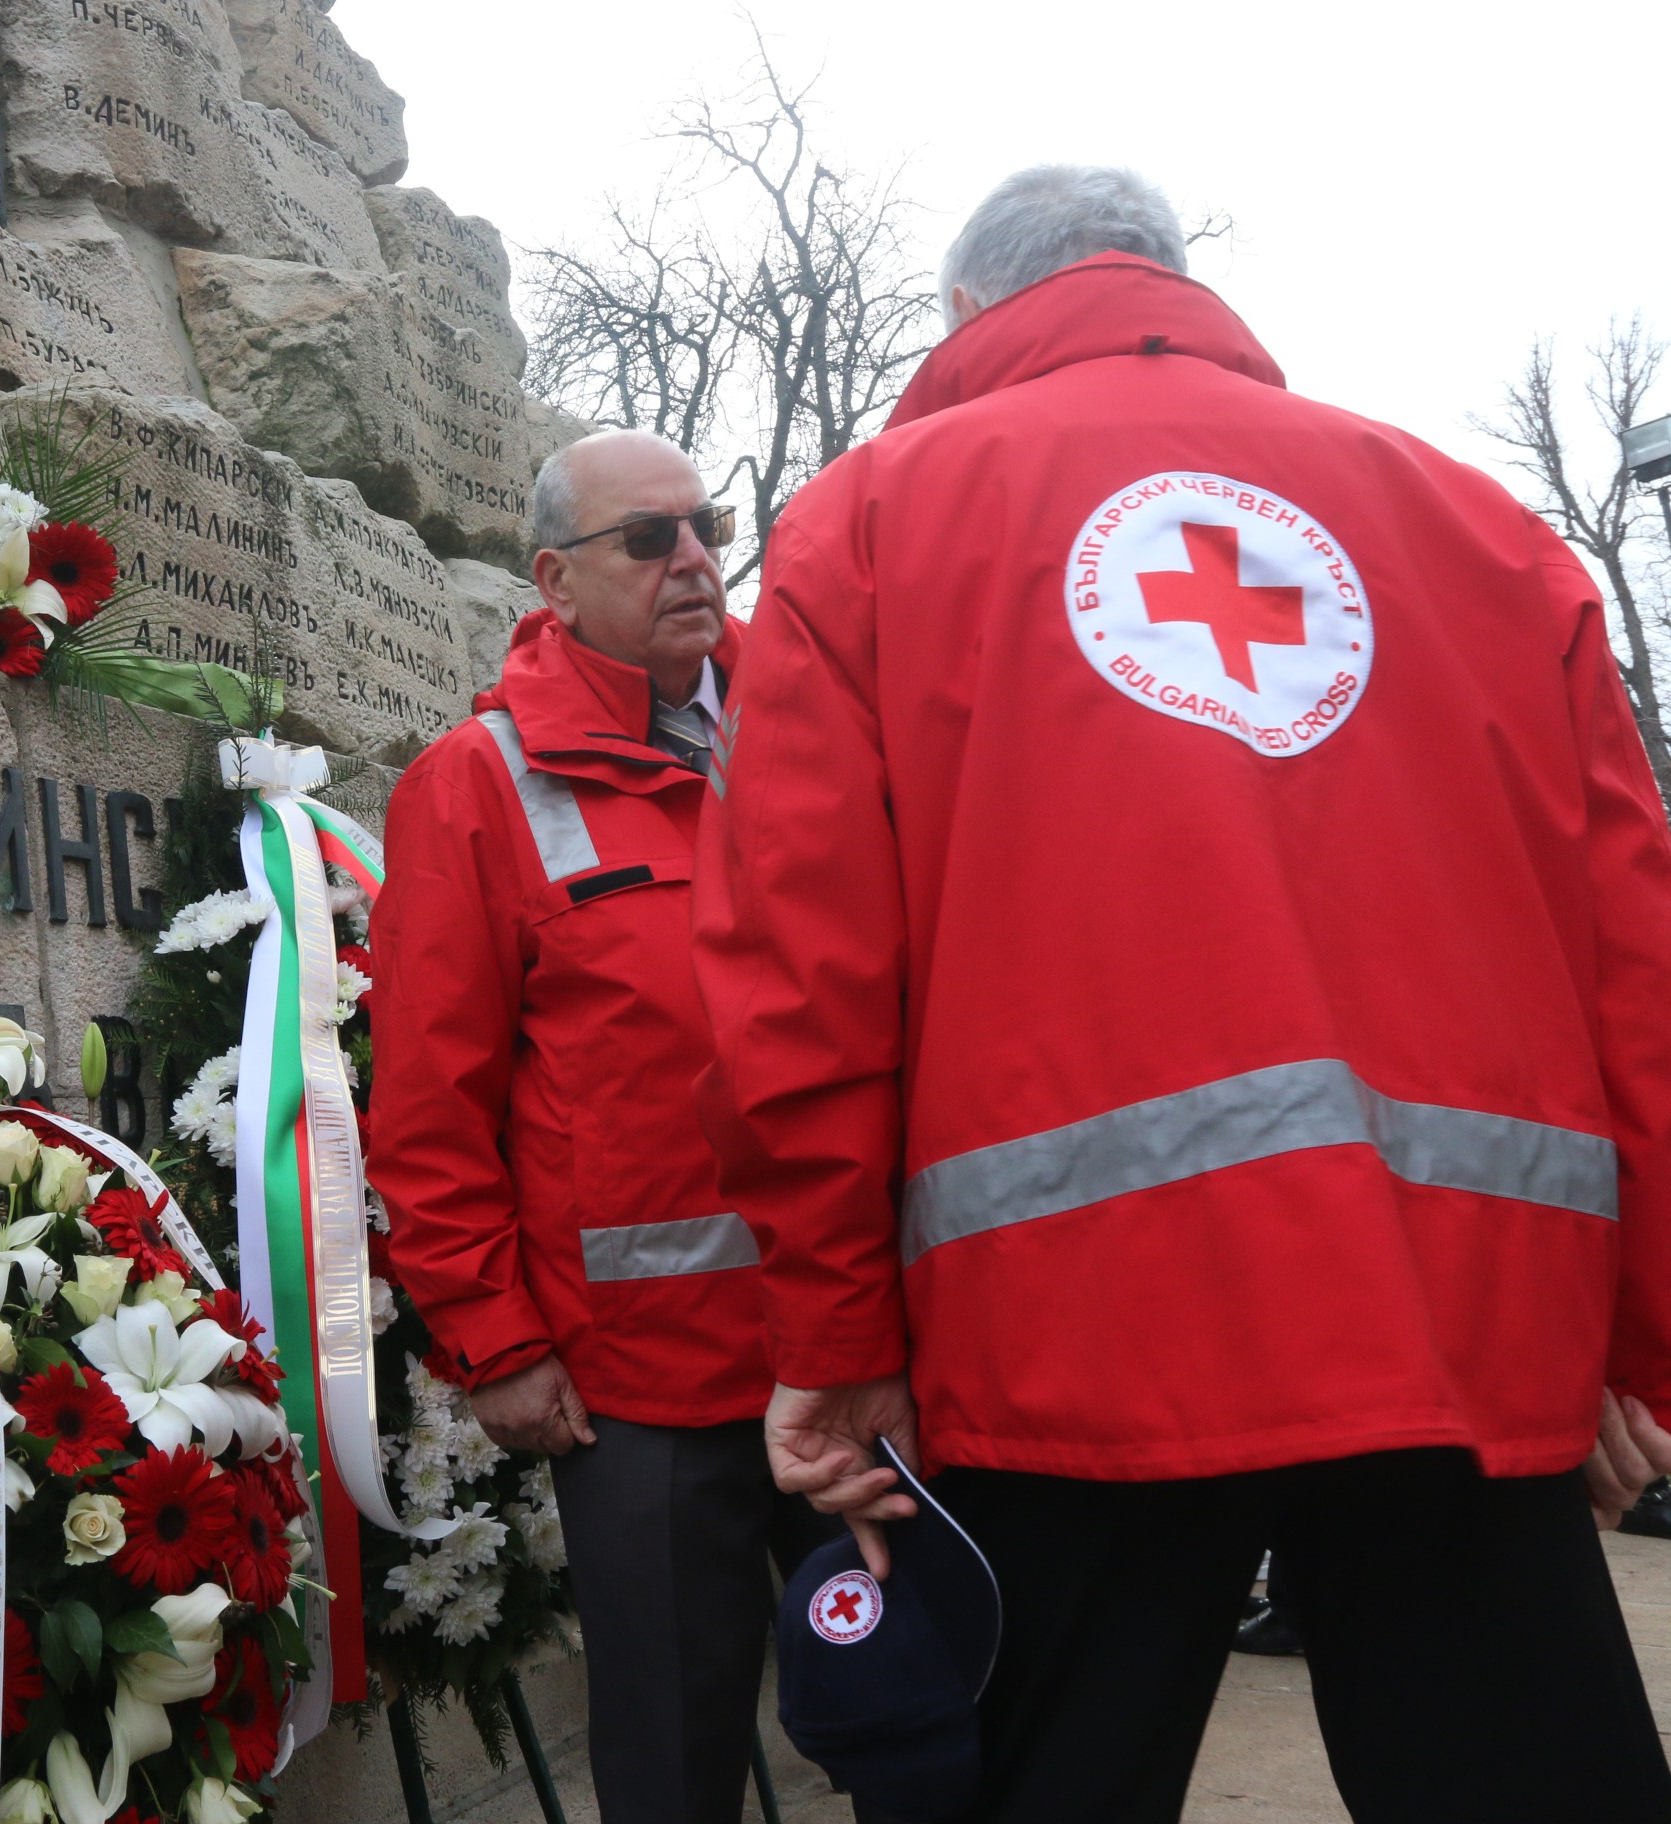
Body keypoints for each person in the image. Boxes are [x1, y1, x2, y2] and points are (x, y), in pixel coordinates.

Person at [692, 164, 1671, 1823]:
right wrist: (1635, 1346)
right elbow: (1634, 964)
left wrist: (838, 1337)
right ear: (1166, 275)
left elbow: (801, 973)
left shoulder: (870, 523)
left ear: (967, 312)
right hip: (1457, 1319)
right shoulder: (1488, 533)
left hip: (1064, 1337)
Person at [368, 430, 810, 1824]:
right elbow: (430, 1103)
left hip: (851, 1344)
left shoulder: (808, 737)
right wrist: (495, 1339)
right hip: (649, 1391)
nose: (695, 560)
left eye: (709, 526)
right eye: (650, 538)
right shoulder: (476, 784)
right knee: (675, 1767)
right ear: (555, 581)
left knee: (926, 1720)